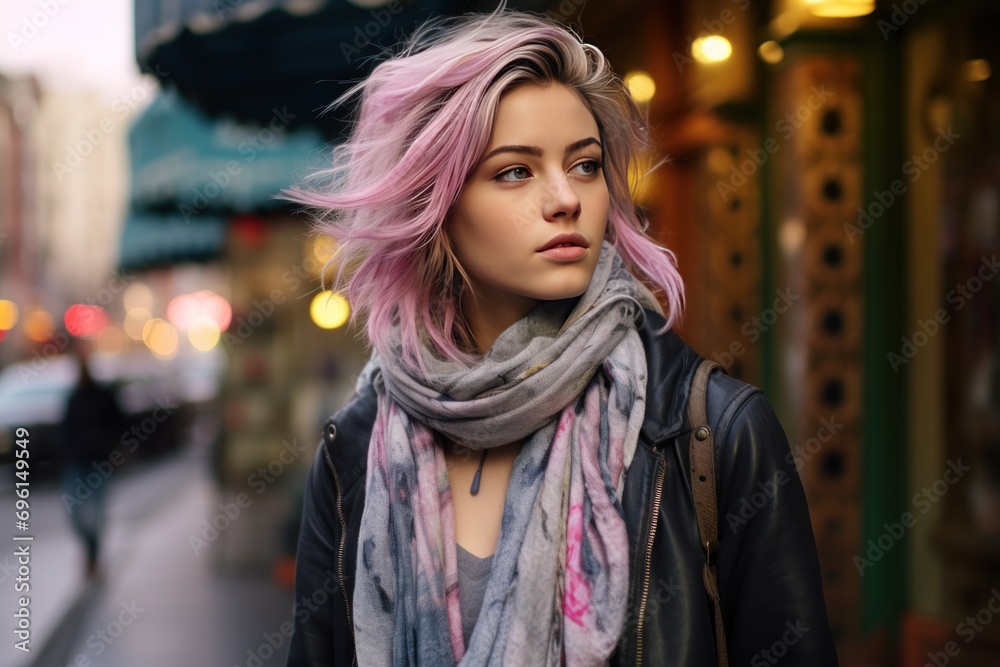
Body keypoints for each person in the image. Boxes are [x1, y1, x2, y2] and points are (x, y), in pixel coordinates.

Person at [285, 9, 838, 666]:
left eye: (585, 165)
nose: (566, 198)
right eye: (516, 171)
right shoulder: (355, 449)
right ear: (435, 205)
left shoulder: (713, 434)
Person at [58, 344, 123, 578]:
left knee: (96, 514)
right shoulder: (73, 398)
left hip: (98, 462)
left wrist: (108, 445)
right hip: (76, 462)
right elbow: (65, 430)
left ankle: (93, 558)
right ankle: (91, 552)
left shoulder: (103, 396)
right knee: (74, 511)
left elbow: (119, 425)